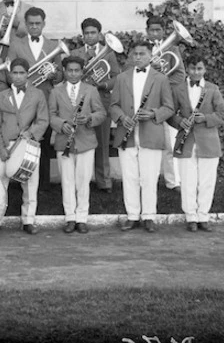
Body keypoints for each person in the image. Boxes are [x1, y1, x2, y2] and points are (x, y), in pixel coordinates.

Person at [109, 40, 174, 233]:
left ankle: (149, 216)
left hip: (150, 133)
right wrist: (121, 117)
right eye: (135, 54)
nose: (138, 57)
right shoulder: (121, 78)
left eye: (142, 54)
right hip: (126, 133)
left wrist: (154, 114)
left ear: (151, 55)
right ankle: (132, 216)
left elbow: (169, 107)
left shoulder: (160, 79)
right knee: (129, 177)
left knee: (149, 177)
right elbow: (113, 105)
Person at [167, 52, 224, 232]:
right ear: (187, 69)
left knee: (207, 181)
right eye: (193, 68)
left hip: (208, 142)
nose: (196, 72)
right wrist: (179, 122)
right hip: (186, 141)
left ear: (205, 70)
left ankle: (203, 216)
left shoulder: (213, 89)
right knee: (187, 180)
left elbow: (223, 115)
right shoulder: (178, 89)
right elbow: (170, 113)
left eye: (200, 68)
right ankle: (190, 217)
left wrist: (206, 118)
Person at [7, 7, 64, 191]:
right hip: (23, 101)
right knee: (23, 139)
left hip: (45, 99)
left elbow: (60, 75)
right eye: (30, 23)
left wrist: (53, 75)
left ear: (43, 24)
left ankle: (44, 184)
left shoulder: (52, 46)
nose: (34, 27)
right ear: (26, 24)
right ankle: (20, 180)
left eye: (37, 23)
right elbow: (9, 72)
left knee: (44, 143)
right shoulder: (16, 44)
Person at [0, 58, 49, 235]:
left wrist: (31, 133)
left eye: (21, 73)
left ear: (27, 74)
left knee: (31, 184)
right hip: (6, 146)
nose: (17, 76)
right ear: (9, 75)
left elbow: (43, 119)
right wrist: (0, 148)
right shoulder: (1, 96)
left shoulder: (38, 94)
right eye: (14, 73)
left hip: (28, 145)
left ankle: (28, 220)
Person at [48, 56, 106, 234]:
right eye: (69, 70)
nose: (73, 74)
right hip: (63, 140)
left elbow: (101, 113)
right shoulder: (56, 92)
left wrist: (89, 119)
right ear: (64, 72)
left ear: (82, 72)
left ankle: (82, 217)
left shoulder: (91, 90)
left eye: (77, 70)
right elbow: (51, 115)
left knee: (83, 180)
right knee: (67, 181)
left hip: (85, 141)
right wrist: (61, 124)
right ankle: (70, 217)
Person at [70, 17, 121, 193]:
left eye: (93, 33)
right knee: (79, 139)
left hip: (101, 100)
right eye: (86, 33)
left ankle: (104, 181)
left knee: (102, 141)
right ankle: (79, 180)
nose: (90, 36)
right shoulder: (76, 53)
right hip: (80, 102)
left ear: (99, 35)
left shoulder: (109, 53)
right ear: (82, 35)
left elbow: (116, 77)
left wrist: (103, 85)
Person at [146, 15, 186, 192]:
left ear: (163, 31)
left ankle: (174, 181)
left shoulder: (172, 48)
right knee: (148, 144)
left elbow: (179, 75)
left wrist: (163, 81)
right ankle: (147, 180)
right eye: (152, 30)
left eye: (158, 30)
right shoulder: (141, 49)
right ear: (147, 31)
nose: (155, 33)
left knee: (171, 142)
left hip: (167, 100)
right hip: (147, 102)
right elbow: (131, 73)